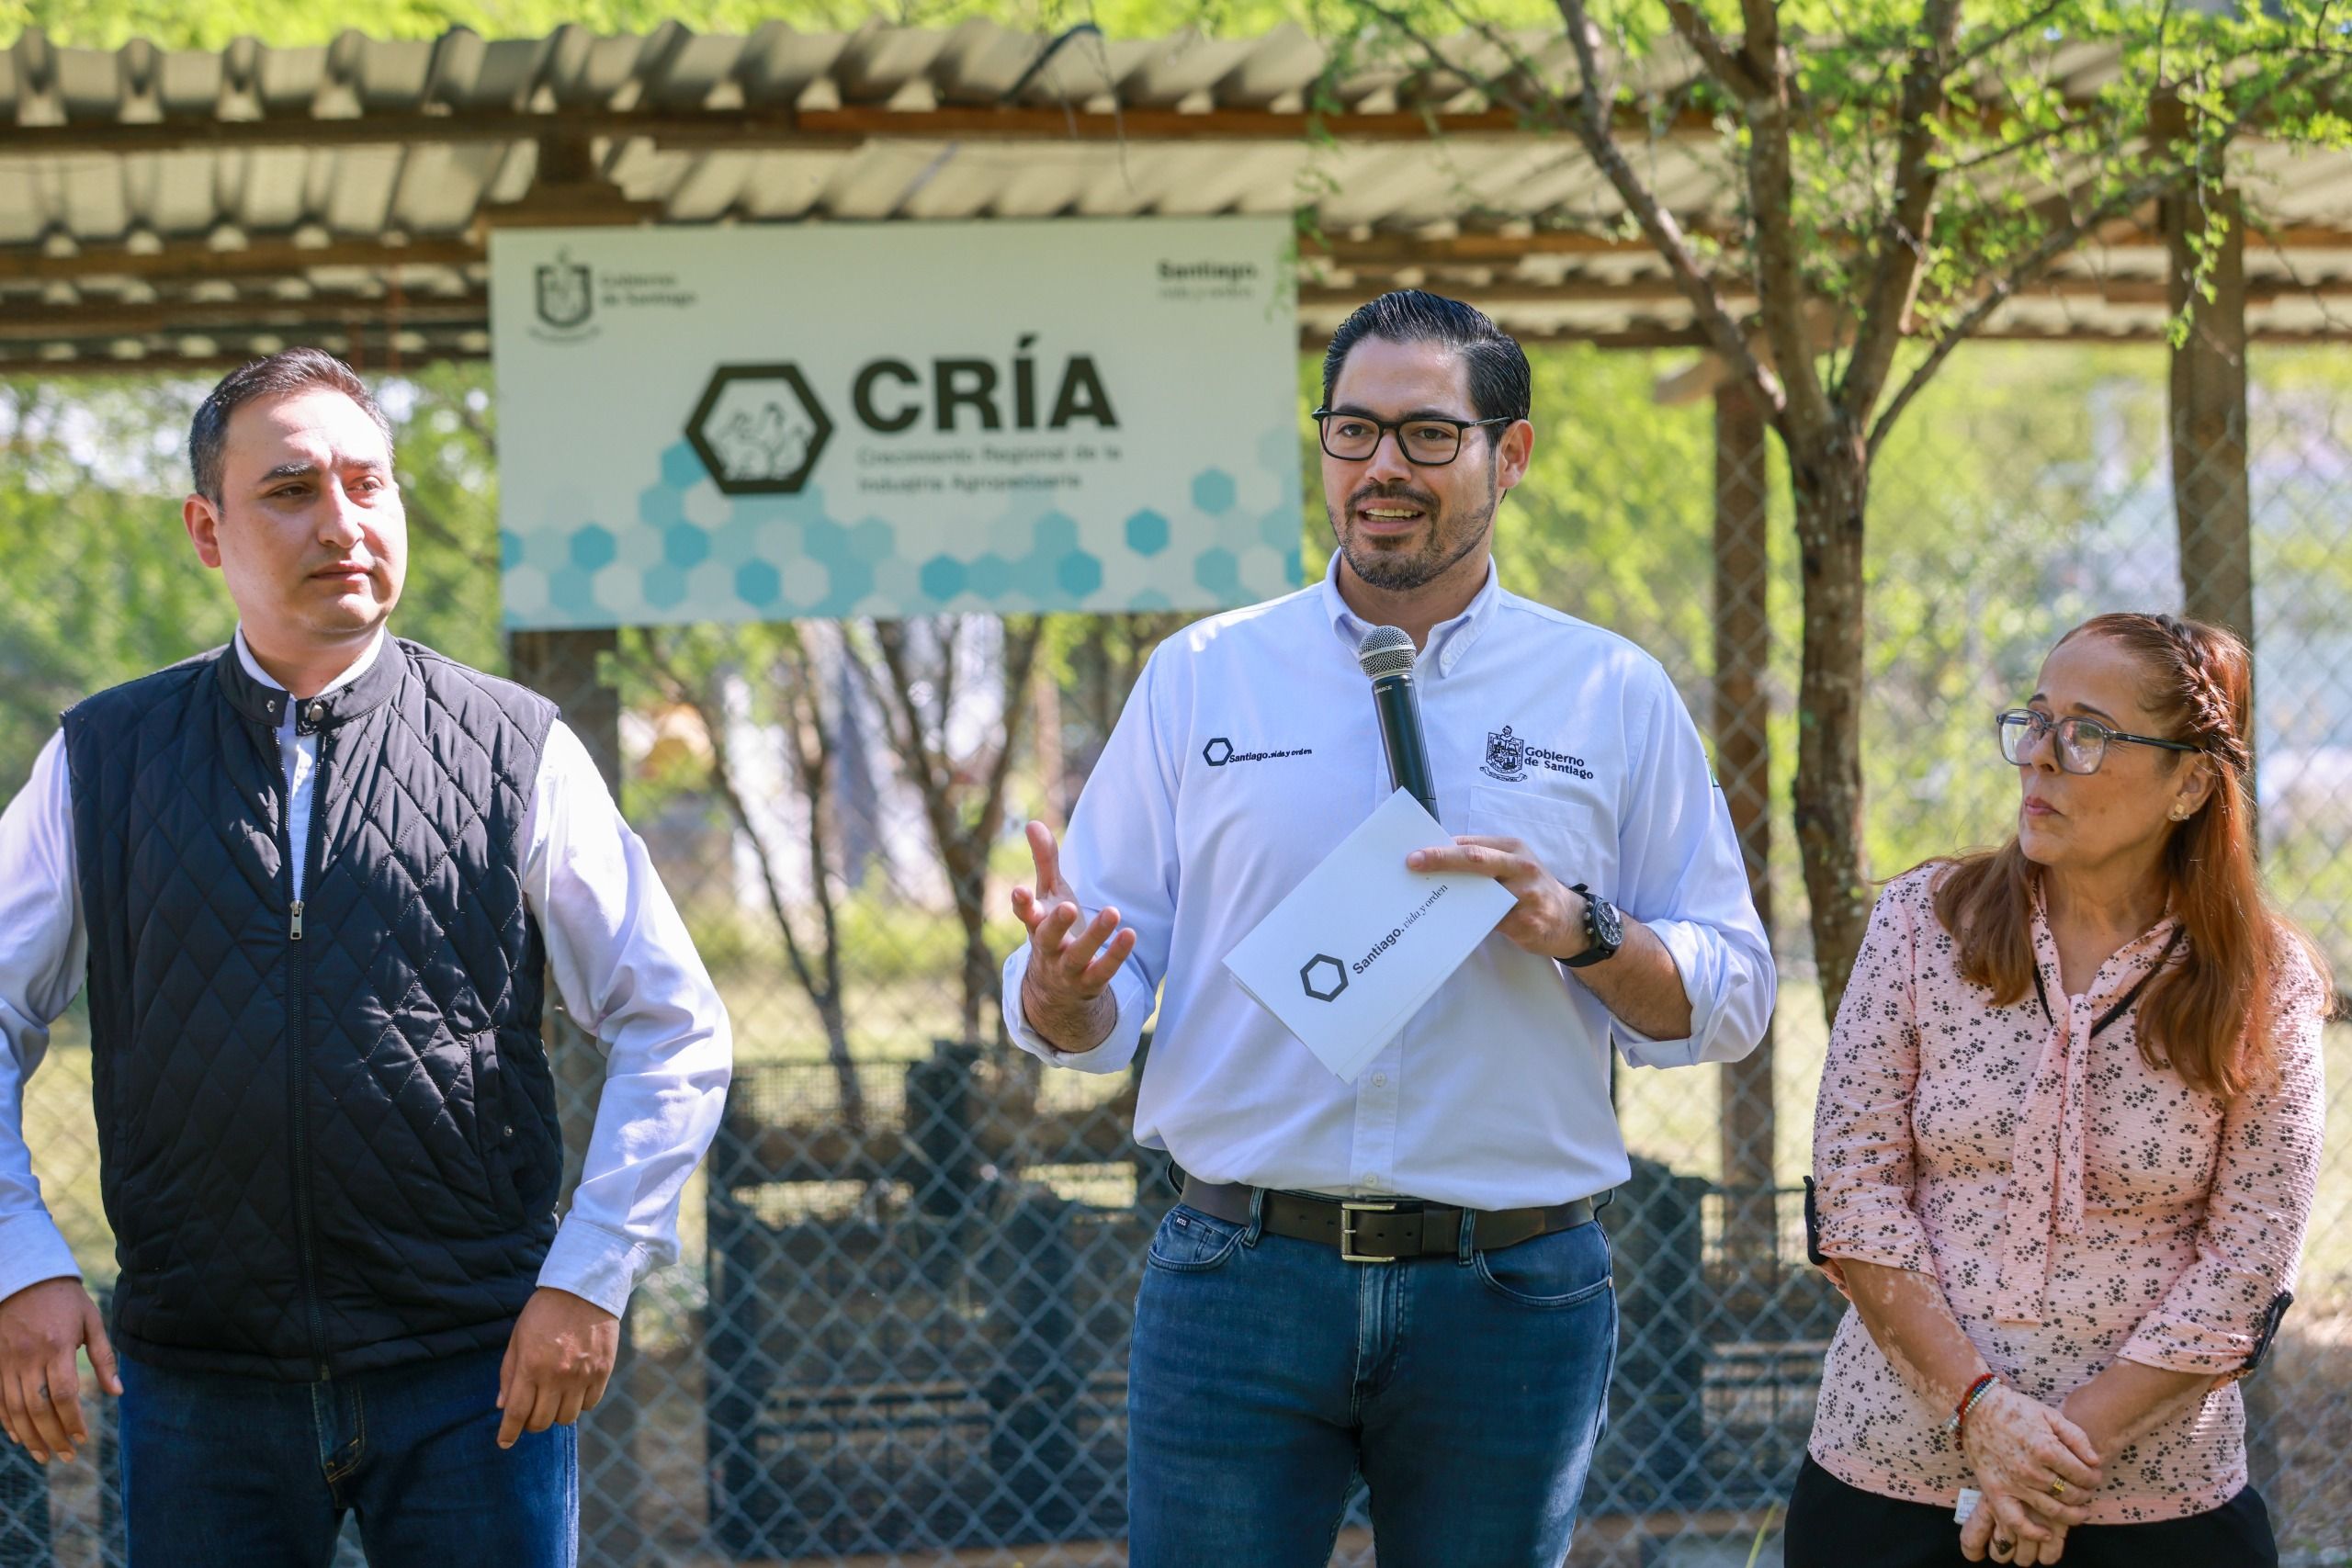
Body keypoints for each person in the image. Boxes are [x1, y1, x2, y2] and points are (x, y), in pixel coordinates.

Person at [1001, 289, 1775, 1566]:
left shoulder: (1607, 691)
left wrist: (1581, 926)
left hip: (1511, 1292)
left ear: (1507, 453)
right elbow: (1097, 982)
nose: (1382, 469)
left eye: (1426, 436)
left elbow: (1735, 990)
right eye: (1353, 431)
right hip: (1241, 1272)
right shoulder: (1204, 674)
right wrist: (1065, 996)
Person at [0, 349, 732, 1565]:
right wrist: (19, 1257)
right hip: (198, 1383)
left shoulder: (518, 747)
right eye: (289, 488)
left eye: (366, 483)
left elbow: (676, 1020)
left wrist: (593, 1273)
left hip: (474, 1374)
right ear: (206, 526)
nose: (340, 520)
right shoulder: (103, 758)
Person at [1792, 613, 2328, 1568]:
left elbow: (2246, 1262)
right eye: (2033, 720)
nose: (2036, 757)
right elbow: (1855, 1196)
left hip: (2160, 1511)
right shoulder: (1921, 924)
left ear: (2191, 783)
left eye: (2085, 733)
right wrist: (1981, 1415)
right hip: (1888, 1489)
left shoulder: (2265, 981)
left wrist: (2043, 1463)